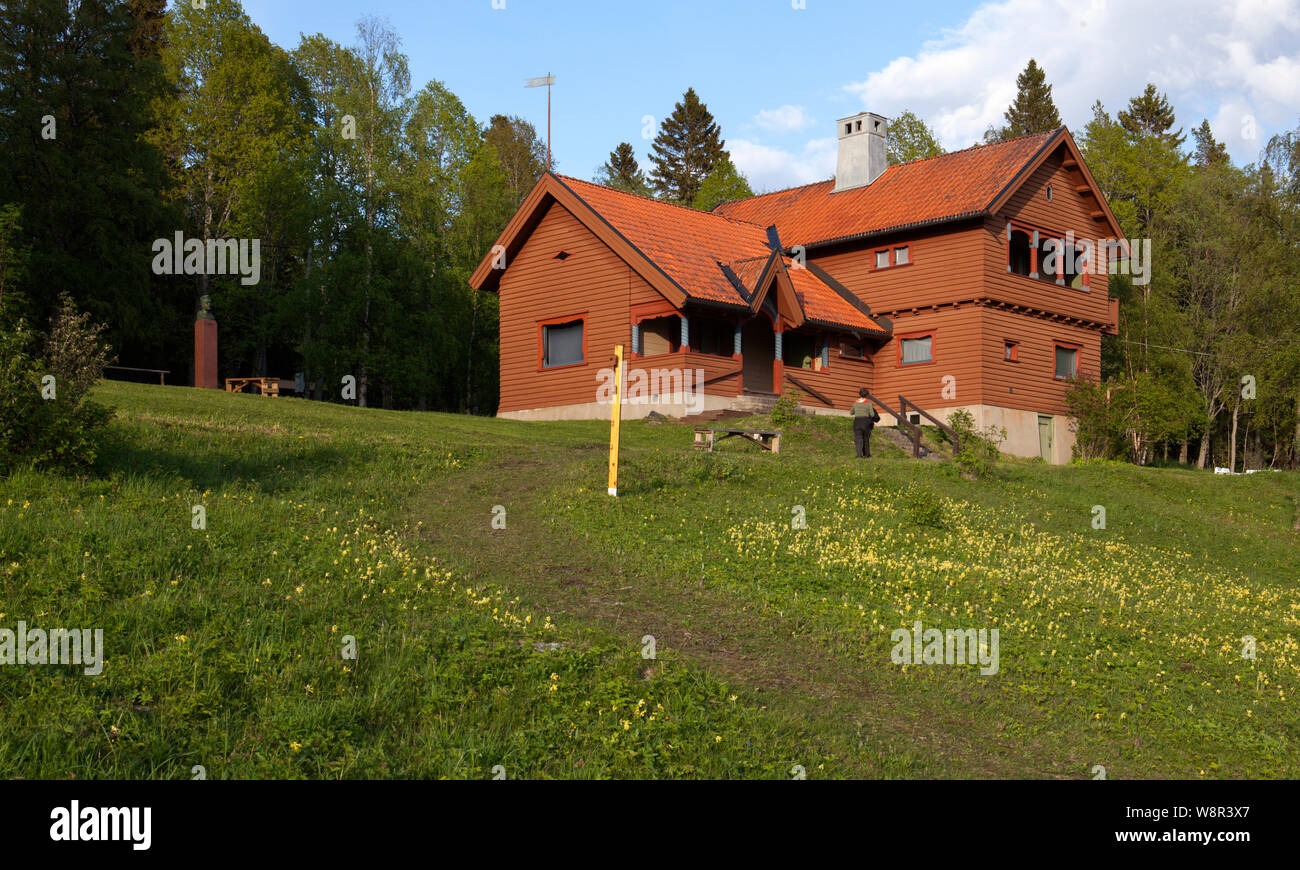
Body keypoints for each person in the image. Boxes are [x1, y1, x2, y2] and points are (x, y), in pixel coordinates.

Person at [851, 387, 880, 458]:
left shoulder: (855, 402)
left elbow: (851, 412)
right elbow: (872, 414)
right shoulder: (868, 403)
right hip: (866, 422)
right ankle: (867, 455)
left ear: (859, 394)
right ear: (867, 395)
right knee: (866, 438)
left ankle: (858, 455)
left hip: (857, 421)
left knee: (858, 438)